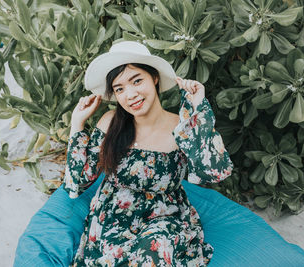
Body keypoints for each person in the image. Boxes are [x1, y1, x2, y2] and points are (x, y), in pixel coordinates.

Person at [63, 41, 234, 266]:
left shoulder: (180, 127)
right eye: (119, 88)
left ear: (154, 78)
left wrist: (198, 107)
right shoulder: (110, 123)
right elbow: (77, 183)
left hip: (165, 218)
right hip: (115, 218)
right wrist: (77, 123)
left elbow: (215, 171)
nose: (130, 94)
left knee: (156, 248)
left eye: (137, 81)